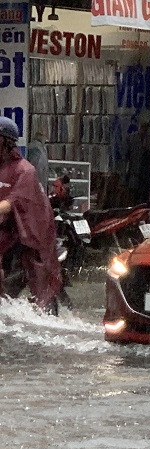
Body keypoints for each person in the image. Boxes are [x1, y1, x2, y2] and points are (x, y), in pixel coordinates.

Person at [0, 116, 62, 313]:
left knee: (37, 286)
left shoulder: (25, 170)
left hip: (28, 236)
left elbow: (11, 203)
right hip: (6, 232)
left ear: (5, 142)